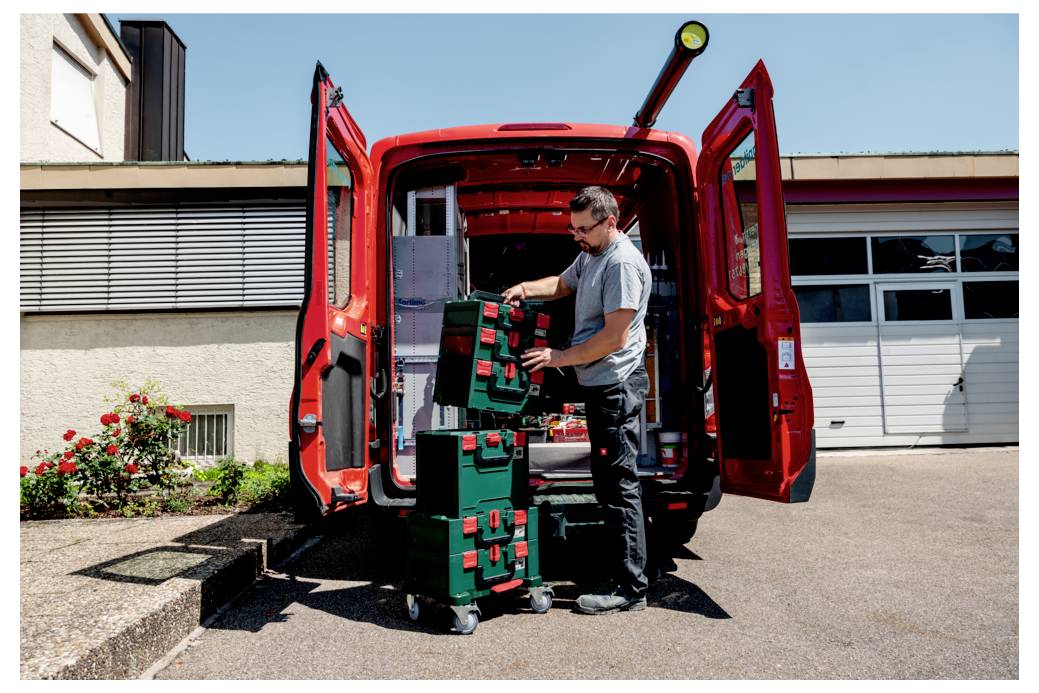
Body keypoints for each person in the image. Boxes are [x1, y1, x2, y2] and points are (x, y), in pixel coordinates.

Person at [502, 185, 652, 615]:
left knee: (619, 486)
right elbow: (563, 284)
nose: (576, 236)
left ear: (610, 222)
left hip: (615, 386)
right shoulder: (591, 254)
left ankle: (631, 590)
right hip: (597, 381)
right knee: (608, 483)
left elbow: (612, 337)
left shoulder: (621, 264)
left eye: (583, 229)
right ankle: (624, 573)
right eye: (573, 229)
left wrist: (557, 358)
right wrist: (526, 289)